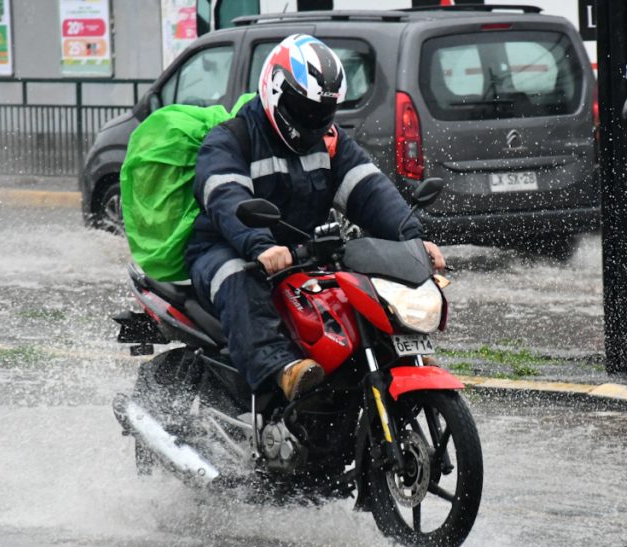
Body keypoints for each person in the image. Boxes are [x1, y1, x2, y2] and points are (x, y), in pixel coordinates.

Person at [185, 34, 445, 402]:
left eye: (321, 111)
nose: (313, 119)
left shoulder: (330, 142)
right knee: (239, 279)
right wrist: (261, 245)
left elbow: (369, 189)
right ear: (274, 90)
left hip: (302, 250)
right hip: (228, 248)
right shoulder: (231, 140)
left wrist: (412, 238)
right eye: (304, 108)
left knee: (355, 286)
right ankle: (281, 370)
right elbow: (226, 196)